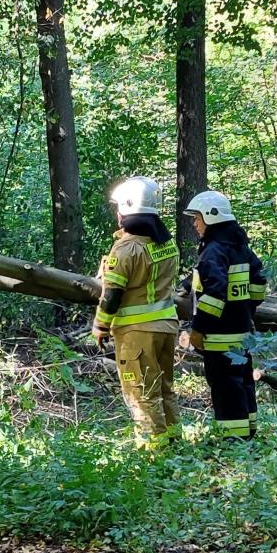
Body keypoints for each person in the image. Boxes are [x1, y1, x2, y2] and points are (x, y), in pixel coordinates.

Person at [90, 177, 183, 448]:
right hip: (166, 327)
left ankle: (153, 452)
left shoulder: (126, 248)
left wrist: (100, 326)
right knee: (164, 389)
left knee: (141, 393)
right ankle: (175, 444)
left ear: (126, 208)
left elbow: (112, 295)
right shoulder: (167, 244)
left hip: (137, 334)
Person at [183, 190, 268, 438]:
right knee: (243, 382)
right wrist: (245, 310)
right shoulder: (240, 248)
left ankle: (233, 439)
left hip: (219, 336)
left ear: (211, 216)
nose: (195, 223)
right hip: (242, 332)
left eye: (197, 217)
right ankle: (249, 431)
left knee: (225, 388)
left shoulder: (214, 250)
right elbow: (258, 284)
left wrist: (198, 329)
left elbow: (214, 293)